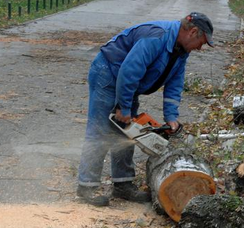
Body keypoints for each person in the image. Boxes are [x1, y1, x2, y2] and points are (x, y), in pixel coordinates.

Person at [76, 12, 214, 206]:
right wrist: (123, 107)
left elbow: (175, 83)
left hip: (128, 83)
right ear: (193, 32)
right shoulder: (156, 37)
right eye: (202, 42)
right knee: (101, 130)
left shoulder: (181, 51)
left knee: (127, 132)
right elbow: (129, 70)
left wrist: (171, 117)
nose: (200, 47)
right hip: (108, 74)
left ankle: (122, 184)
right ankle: (87, 186)